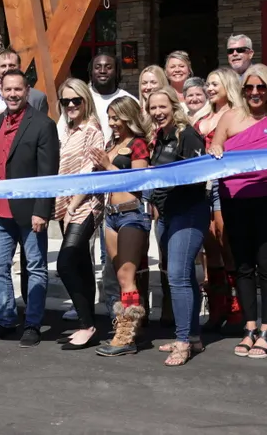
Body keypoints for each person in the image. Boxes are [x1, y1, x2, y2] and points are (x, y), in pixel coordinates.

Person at [210, 64, 267, 359]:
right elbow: (216, 146)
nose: (255, 93)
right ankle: (250, 326)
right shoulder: (229, 117)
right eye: (249, 87)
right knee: (243, 265)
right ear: (242, 90)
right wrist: (216, 150)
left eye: (261, 87)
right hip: (234, 198)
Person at [0, 69, 59, 348]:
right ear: (0, 92)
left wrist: (42, 210)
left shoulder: (42, 124)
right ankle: (6, 320)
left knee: (36, 268)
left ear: (27, 92)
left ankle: (33, 324)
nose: (12, 94)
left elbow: (48, 172)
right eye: (8, 90)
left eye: (18, 89)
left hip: (30, 211)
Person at [145, 88, 210, 366]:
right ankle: (192, 336)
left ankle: (183, 342)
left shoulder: (188, 135)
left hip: (190, 213)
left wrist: (168, 182)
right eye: (152, 108)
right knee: (183, 278)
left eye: (162, 107)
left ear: (174, 106)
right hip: (168, 215)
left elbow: (196, 176)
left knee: (178, 277)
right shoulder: (159, 137)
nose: (158, 112)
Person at [94, 96, 152, 357]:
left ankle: (126, 335)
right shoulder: (112, 143)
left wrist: (107, 165)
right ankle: (128, 327)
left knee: (127, 277)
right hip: (111, 215)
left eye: (116, 117)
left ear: (128, 117)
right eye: (110, 118)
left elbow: (139, 180)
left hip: (131, 214)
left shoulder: (138, 144)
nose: (112, 123)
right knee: (119, 277)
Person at [54, 79, 105, 351]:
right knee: (82, 264)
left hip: (85, 205)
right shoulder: (68, 129)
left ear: (86, 100)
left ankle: (87, 324)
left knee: (65, 262)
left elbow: (90, 171)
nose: (71, 105)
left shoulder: (92, 130)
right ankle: (87, 323)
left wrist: (73, 205)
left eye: (77, 100)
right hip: (66, 204)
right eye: (66, 101)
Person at [195, 68, 244, 331]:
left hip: (224, 185)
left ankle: (237, 309)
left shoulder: (237, 115)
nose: (210, 88)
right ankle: (217, 309)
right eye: (208, 84)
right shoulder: (201, 115)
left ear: (228, 85)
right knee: (210, 248)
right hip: (200, 187)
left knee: (227, 245)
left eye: (215, 84)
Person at [226, 34, 267, 107]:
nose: (234, 54)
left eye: (240, 50)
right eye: (230, 51)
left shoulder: (266, 79)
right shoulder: (223, 81)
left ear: (250, 54)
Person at [89, 53, 135, 141]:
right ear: (91, 71)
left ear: (116, 72)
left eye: (108, 67)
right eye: (97, 67)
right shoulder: (79, 99)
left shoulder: (128, 100)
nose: (102, 71)